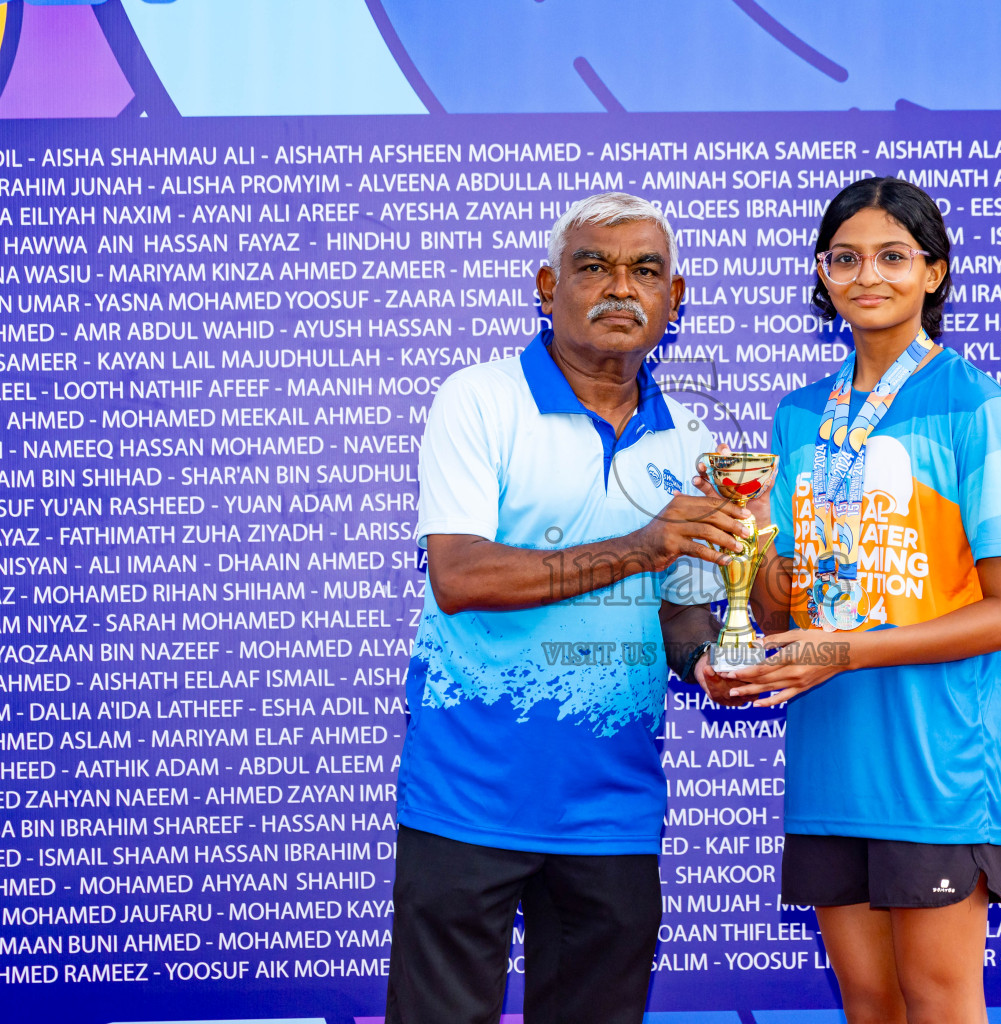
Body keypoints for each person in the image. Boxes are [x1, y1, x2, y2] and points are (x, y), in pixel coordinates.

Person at [387, 192, 748, 1024]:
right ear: (548, 287)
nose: (620, 287)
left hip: (614, 813)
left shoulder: (694, 442)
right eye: (594, 267)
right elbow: (463, 575)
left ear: (676, 298)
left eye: (645, 271)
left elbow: (682, 615)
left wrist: (712, 664)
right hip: (468, 796)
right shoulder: (479, 400)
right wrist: (641, 545)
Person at [714, 177, 1001, 1024]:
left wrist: (842, 651)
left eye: (894, 257)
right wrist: (756, 573)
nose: (869, 276)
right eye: (846, 258)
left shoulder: (977, 406)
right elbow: (791, 611)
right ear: (822, 274)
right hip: (831, 759)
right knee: (869, 1004)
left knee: (937, 1001)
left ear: (934, 273)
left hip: (932, 763)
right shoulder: (796, 418)